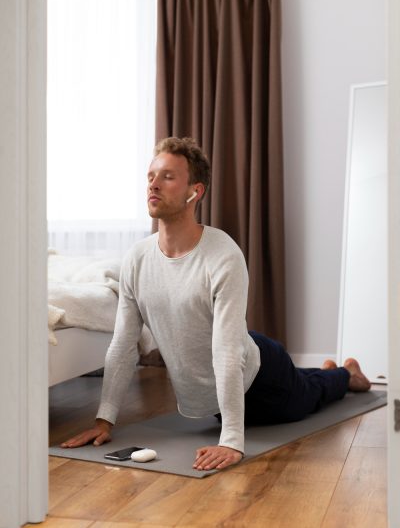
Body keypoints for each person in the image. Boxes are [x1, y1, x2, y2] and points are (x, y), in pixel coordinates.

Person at [61, 137, 371, 471]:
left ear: (196, 191)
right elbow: (123, 345)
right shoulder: (137, 258)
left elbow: (226, 351)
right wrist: (104, 420)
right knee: (304, 382)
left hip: (261, 378)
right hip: (223, 389)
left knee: (309, 397)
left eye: (167, 176)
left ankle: (344, 374)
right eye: (151, 175)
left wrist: (232, 441)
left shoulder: (222, 254)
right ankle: (321, 373)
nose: (153, 183)